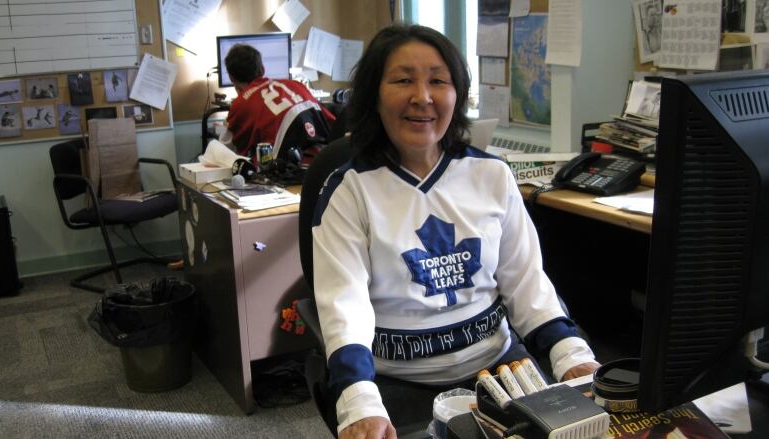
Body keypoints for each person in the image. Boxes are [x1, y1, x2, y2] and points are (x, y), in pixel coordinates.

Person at [311, 24, 600, 439]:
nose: (422, 97)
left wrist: (571, 355)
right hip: (396, 381)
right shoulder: (349, 190)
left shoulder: (492, 176)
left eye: (438, 81)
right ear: (375, 94)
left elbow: (526, 283)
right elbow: (345, 307)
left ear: (457, 95)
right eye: (403, 80)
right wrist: (358, 400)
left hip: (500, 368)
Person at [219, 44, 335, 164]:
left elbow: (223, 152)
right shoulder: (297, 85)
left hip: (284, 172)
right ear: (263, 69)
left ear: (231, 78)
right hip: (326, 161)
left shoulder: (241, 104)